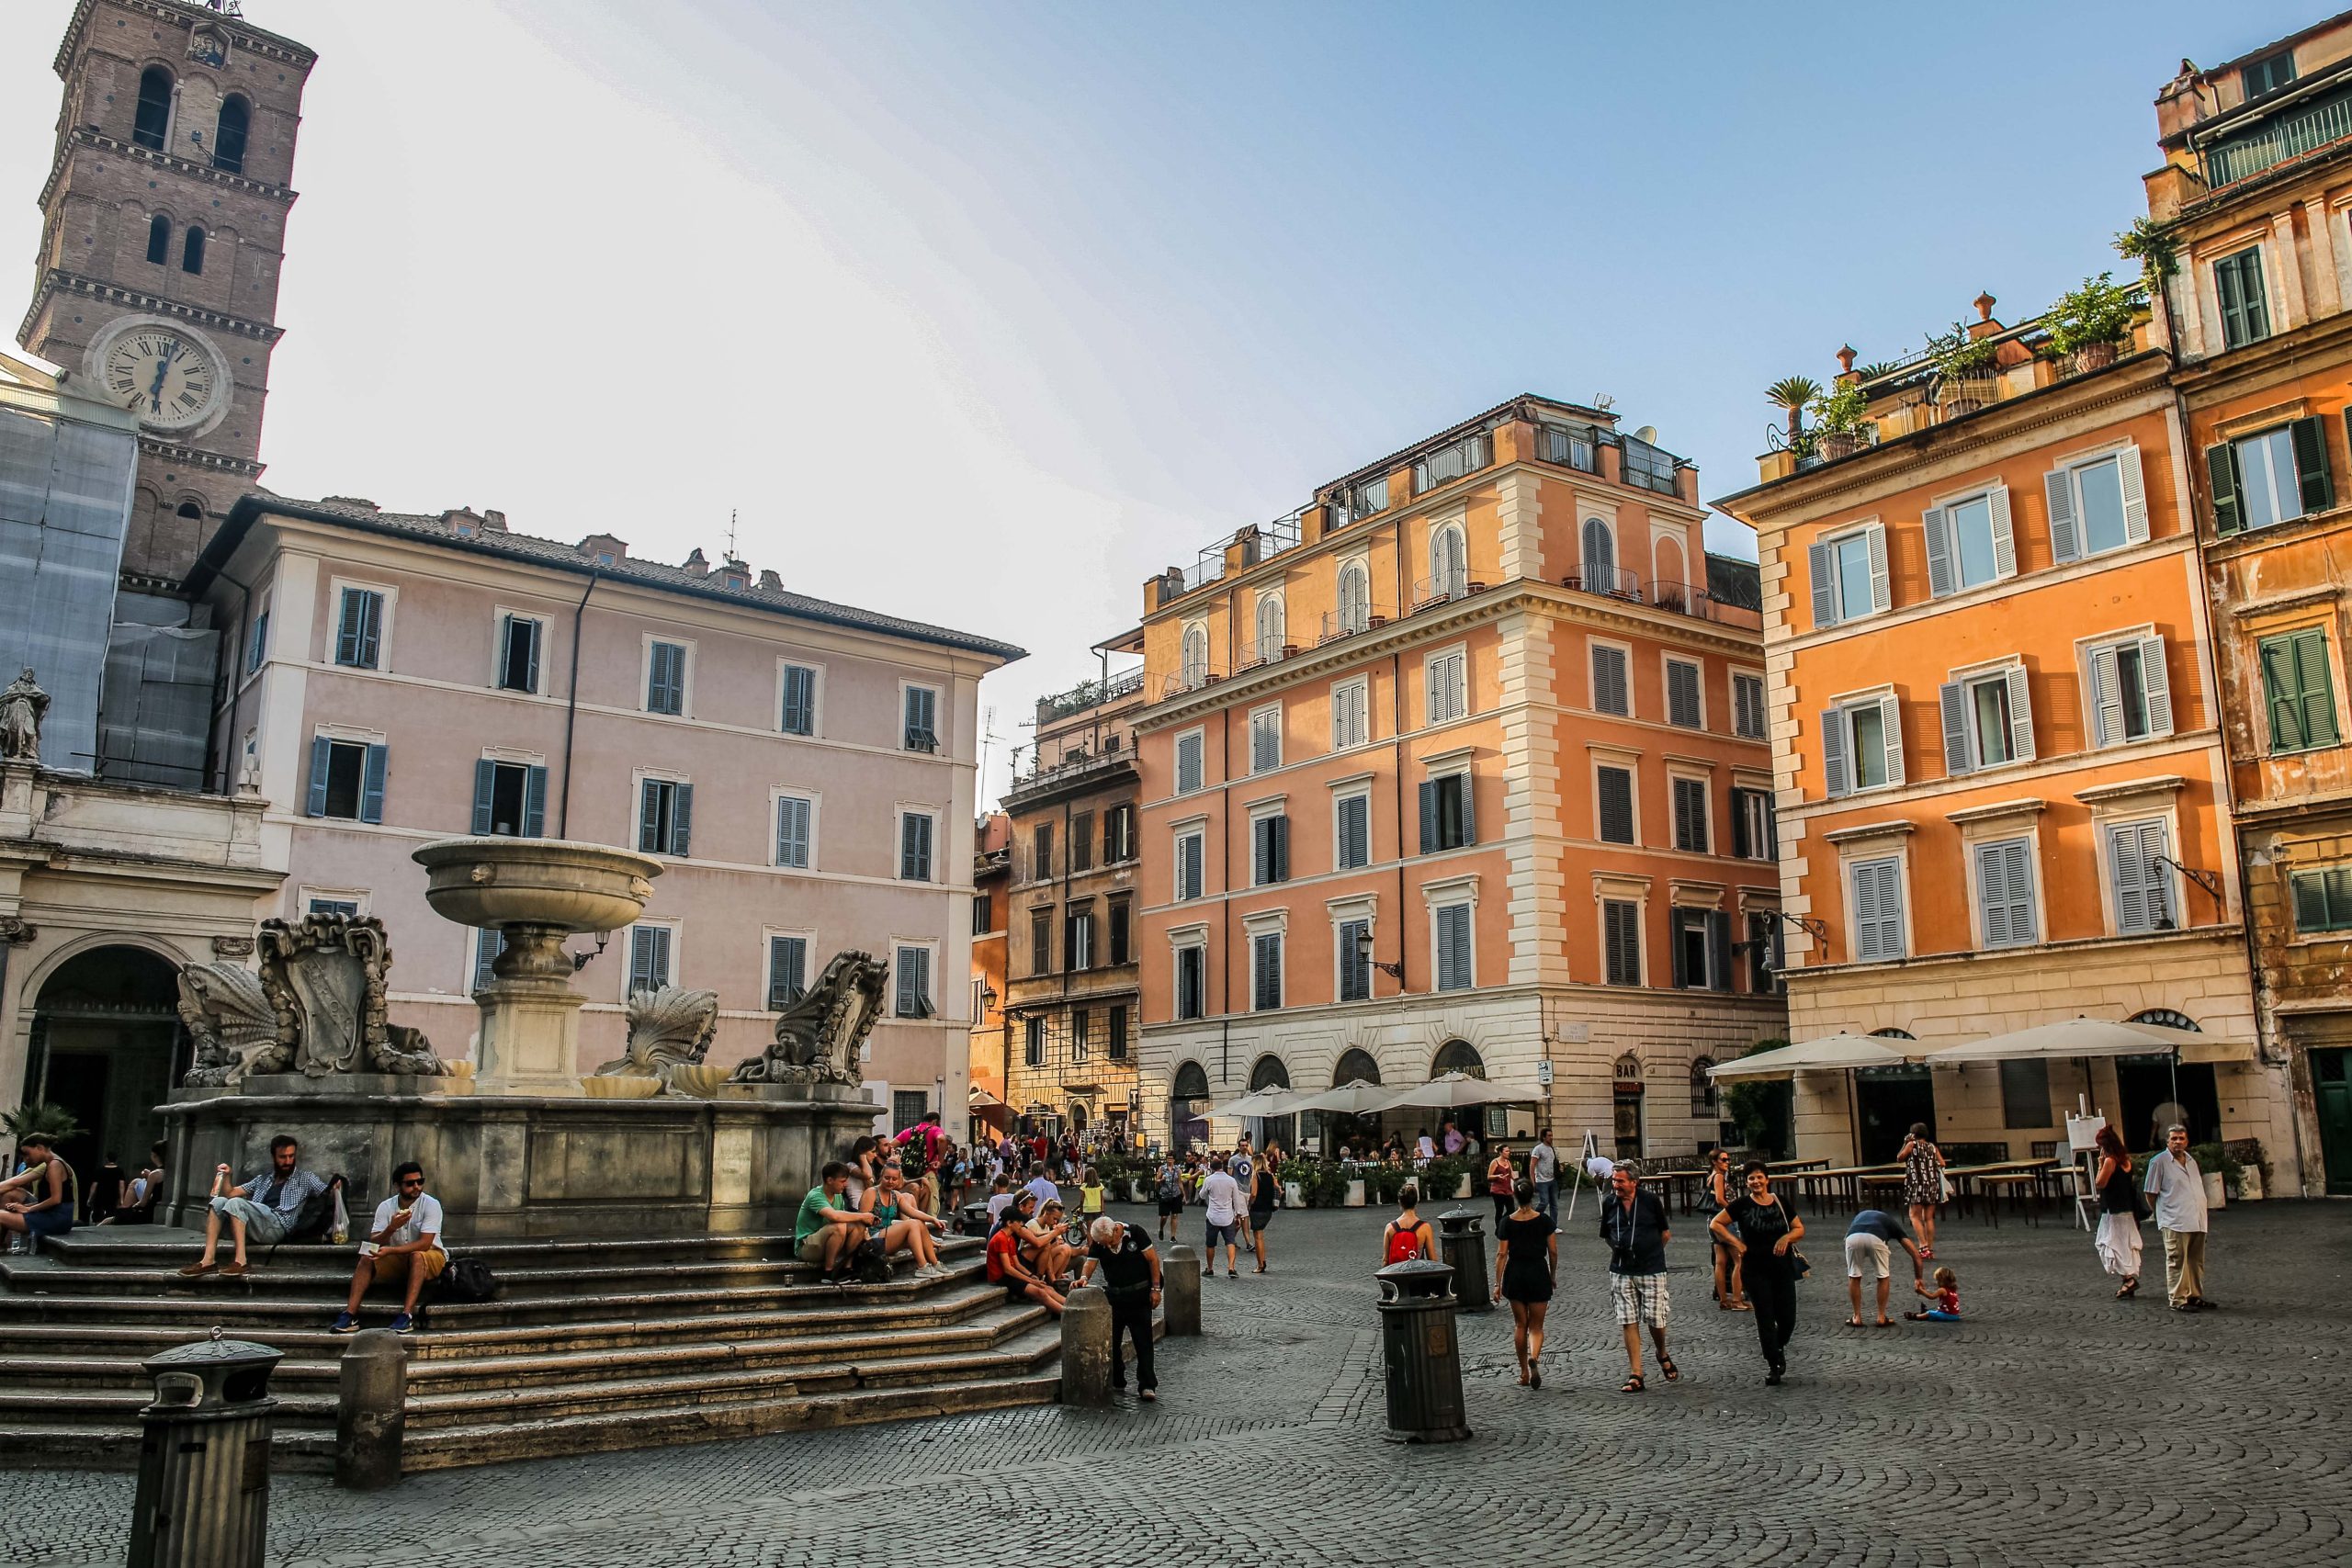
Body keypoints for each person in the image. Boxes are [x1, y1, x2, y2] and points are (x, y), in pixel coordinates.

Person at [178, 1134, 327, 1278]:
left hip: (278, 1227)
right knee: (218, 1202)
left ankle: (241, 1261)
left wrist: (338, 1187)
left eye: (291, 1156)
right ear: (274, 1157)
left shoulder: (305, 1178)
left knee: (236, 1203)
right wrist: (228, 1175)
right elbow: (230, 1193)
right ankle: (208, 1261)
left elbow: (327, 1191)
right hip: (257, 1225)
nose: (288, 1161)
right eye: (283, 1157)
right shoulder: (263, 1179)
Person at [1711, 1159, 1804, 1385]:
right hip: (1755, 1269)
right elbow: (1716, 1224)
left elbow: (1799, 1228)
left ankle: (1779, 1345)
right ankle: (1773, 1363)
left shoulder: (1780, 1202)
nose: (1756, 1181)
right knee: (1765, 1317)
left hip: (1781, 1267)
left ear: (1767, 1180)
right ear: (1747, 1182)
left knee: (1787, 1318)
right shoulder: (1742, 1205)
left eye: (1759, 1177)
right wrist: (1736, 1243)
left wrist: (1786, 1237)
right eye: (1751, 1178)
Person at [331, 1162, 446, 1334]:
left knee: (417, 1255)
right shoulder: (386, 1206)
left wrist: (391, 1250)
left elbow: (425, 1244)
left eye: (420, 1181)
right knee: (367, 1256)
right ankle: (349, 1314)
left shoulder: (431, 1204)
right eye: (410, 1183)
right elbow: (375, 1240)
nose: (416, 1187)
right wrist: (392, 1228)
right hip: (399, 1258)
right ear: (397, 1185)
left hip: (431, 1256)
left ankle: (407, 1315)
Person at [1600, 1160, 1674, 1392]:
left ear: (1634, 1182)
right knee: (1628, 1320)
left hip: (1651, 1268)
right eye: (1613, 1180)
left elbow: (1665, 1234)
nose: (1615, 1185)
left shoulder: (1650, 1201)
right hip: (1621, 1270)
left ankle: (1661, 1352)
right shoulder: (1610, 1203)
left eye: (1620, 1181)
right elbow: (1605, 1234)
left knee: (1656, 1319)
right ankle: (1636, 1373)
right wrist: (1619, 1250)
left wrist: (1650, 1253)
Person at [1080, 1215, 1162, 1400]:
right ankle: (1117, 1379)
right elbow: (1090, 1263)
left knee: (1143, 1342)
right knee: (1112, 1341)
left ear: (1116, 1232)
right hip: (1115, 1297)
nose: (1107, 1246)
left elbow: (1153, 1260)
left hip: (1139, 1295)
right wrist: (1084, 1278)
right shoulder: (1100, 1241)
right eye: (1103, 1244)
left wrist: (1155, 1288)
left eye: (1109, 1242)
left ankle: (1147, 1385)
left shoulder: (1135, 1233)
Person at [1493, 1178, 1557, 1388]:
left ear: (1514, 1195)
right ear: (1533, 1195)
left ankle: (1523, 1373)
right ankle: (1535, 1357)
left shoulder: (1507, 1222)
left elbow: (1502, 1254)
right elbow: (1553, 1251)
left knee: (1520, 1324)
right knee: (1537, 1327)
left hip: (1515, 1273)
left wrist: (1497, 1283)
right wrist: (1552, 1274)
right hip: (1538, 1271)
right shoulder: (1544, 1220)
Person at [2143, 1124, 2212, 1313]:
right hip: (2174, 1220)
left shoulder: (2191, 1161)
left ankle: (2194, 1295)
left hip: (2196, 1219)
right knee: (2177, 1259)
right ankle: (2178, 1298)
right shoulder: (2159, 1162)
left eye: (2181, 1138)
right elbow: (2150, 1192)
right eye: (2174, 1138)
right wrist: (2160, 1213)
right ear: (2167, 1141)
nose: (2178, 1142)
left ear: (2187, 1141)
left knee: (2195, 1261)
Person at [862, 1163, 951, 1278]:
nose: (890, 1182)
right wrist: (866, 1239)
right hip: (873, 1239)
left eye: (894, 1179)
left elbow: (912, 1211)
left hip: (888, 1237)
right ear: (881, 1176)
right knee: (912, 1224)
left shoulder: (896, 1195)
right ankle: (922, 1266)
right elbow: (862, 1219)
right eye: (887, 1178)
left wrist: (933, 1219)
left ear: (899, 1180)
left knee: (918, 1223)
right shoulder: (871, 1192)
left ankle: (935, 1263)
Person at [987, 1192, 1065, 1315]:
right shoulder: (1001, 1239)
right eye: (1019, 1222)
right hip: (1004, 1277)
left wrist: (1031, 1275)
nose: (1022, 1225)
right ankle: (1067, 1313)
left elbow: (1016, 1264)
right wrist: (1031, 1280)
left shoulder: (1010, 1238)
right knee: (1040, 1292)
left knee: (1046, 1288)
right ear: (1010, 1223)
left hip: (1012, 1274)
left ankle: (1072, 1307)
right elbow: (1008, 1269)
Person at [1843, 1208, 1923, 1327]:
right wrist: (1918, 1279)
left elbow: (1846, 1238)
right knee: (1883, 1277)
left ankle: (1856, 1317)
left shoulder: (1860, 1216)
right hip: (1876, 1238)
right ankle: (1881, 1317)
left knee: (1854, 1276)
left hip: (1852, 1238)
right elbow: (1915, 1255)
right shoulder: (1892, 1223)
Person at [794, 1160, 871, 1281]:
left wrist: (864, 1227)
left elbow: (844, 1218)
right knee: (839, 1226)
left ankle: (847, 1269)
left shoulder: (838, 1196)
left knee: (858, 1226)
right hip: (807, 1247)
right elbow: (835, 1217)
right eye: (842, 1181)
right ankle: (829, 1272)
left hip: (829, 1243)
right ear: (830, 1180)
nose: (845, 1185)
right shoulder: (815, 1196)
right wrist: (863, 1216)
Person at [2092, 1123, 2143, 1299]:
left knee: (2112, 1244)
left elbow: (2100, 1183)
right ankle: (2127, 1279)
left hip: (2113, 1210)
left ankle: (2128, 1279)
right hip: (2127, 1209)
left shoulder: (2110, 1161)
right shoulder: (2125, 1161)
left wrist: (2099, 1164)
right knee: (2124, 1245)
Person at [0, 1133, 75, 1247]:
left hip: (56, 1219)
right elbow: (49, 1199)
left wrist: (28, 1210)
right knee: (6, 1211)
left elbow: (56, 1199)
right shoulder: (51, 1164)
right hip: (51, 1215)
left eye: (27, 1154)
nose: (26, 1159)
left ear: (39, 1147)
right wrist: (24, 1207)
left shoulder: (54, 1165)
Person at [1706, 1149, 1750, 1311]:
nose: (1727, 1162)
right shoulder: (1718, 1177)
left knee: (1721, 1261)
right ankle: (1737, 1300)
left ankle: (1724, 1299)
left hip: (1712, 1221)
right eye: (1724, 1159)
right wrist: (1734, 1211)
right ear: (1714, 1162)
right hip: (1723, 1222)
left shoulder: (1711, 1176)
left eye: (1728, 1159)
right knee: (1738, 1259)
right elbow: (1719, 1199)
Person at [1896, 1122, 1947, 1259]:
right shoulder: (1932, 1147)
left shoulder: (1911, 1145)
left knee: (1914, 1216)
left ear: (1913, 1134)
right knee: (1929, 1217)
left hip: (1916, 1184)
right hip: (1931, 1185)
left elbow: (1900, 1158)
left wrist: (1905, 1143)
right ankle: (1929, 1248)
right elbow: (1942, 1163)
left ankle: (1923, 1246)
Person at [1199, 1156, 1243, 1279]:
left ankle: (1210, 1268)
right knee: (1230, 1242)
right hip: (1228, 1216)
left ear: (1212, 1168)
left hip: (1213, 1216)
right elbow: (1236, 1199)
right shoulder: (1231, 1180)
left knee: (1210, 1244)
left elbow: (1201, 1195)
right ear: (1222, 1167)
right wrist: (1238, 1214)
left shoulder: (1209, 1180)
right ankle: (1231, 1268)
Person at [1384, 1186, 1435, 1263]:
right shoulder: (1425, 1227)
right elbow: (1432, 1259)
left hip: (1396, 1273)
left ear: (1399, 1202)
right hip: (1417, 1272)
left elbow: (1385, 1261)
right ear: (1416, 1201)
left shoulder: (1390, 1227)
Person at [1246, 1153, 1279, 1274]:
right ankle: (1262, 1261)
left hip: (1257, 1208)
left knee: (1258, 1237)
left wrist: (1249, 1203)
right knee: (1261, 1236)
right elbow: (1278, 1188)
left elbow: (1253, 1193)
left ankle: (1261, 1264)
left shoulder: (1256, 1176)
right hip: (1268, 1209)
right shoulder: (1270, 1175)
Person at [1528, 1128, 1559, 1222]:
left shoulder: (1551, 1148)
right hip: (1542, 1181)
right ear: (1543, 1137)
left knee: (1554, 1204)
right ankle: (1534, 1218)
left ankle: (1553, 1225)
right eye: (1549, 1136)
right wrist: (1533, 1181)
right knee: (1544, 1202)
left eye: (1552, 1135)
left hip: (1552, 1179)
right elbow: (1532, 1165)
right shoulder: (1538, 1149)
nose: (1551, 1138)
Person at [1154, 1155, 1184, 1242]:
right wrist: (1161, 1180)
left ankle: (1173, 1236)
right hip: (1165, 1194)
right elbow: (1156, 1181)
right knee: (1164, 1216)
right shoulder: (1162, 1169)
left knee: (1174, 1215)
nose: (1169, 1160)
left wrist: (1183, 1194)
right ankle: (1161, 1229)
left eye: (1171, 1158)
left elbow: (1179, 1182)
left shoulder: (1177, 1169)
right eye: (1168, 1158)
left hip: (1176, 1194)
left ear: (1174, 1160)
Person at [1486, 1144, 1516, 1231]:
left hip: (1507, 1189)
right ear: (1500, 1152)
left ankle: (1502, 1223)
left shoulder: (1508, 1162)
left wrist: (1517, 1182)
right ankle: (1499, 1228)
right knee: (1499, 1210)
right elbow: (1489, 1177)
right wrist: (1497, 1176)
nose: (1508, 1152)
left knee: (1511, 1209)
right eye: (1506, 1151)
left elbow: (1511, 1174)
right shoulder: (1495, 1162)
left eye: (1508, 1151)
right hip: (1497, 1190)